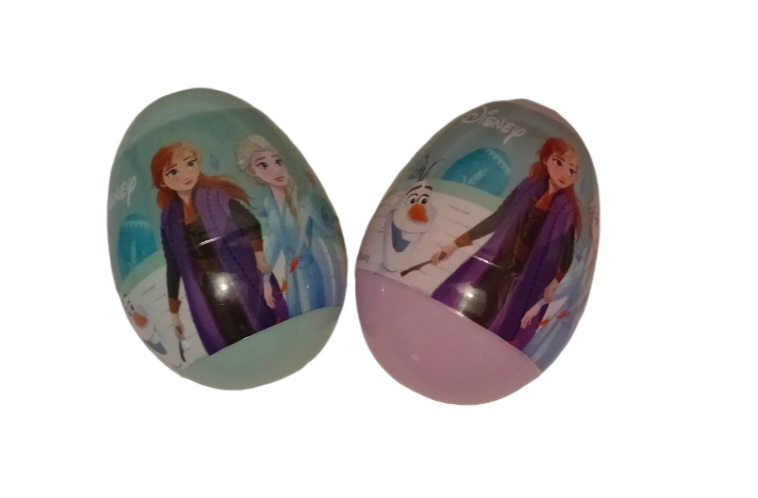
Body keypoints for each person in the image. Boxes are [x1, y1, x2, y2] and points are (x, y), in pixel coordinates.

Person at [430, 137, 582, 350]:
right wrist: (454, 244)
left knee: (504, 314)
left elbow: (567, 251)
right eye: (559, 162)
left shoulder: (566, 210)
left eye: (572, 170)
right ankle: (449, 341)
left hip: (529, 275)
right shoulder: (527, 188)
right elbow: (497, 219)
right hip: (500, 259)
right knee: (478, 298)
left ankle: (473, 350)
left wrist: (554, 283)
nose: (565, 173)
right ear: (546, 160)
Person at [151, 142, 288, 356]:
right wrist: (174, 312)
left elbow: (251, 224)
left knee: (260, 321)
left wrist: (260, 259)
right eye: (173, 172)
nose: (185, 174)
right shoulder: (168, 218)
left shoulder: (215, 196)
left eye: (190, 163)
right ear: (162, 181)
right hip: (206, 289)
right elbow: (173, 263)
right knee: (225, 335)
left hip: (241, 274)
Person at [236, 136, 340, 317]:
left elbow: (328, 232)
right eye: (263, 165)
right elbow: (275, 244)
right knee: (295, 313)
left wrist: (329, 220)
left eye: (278, 161)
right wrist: (266, 281)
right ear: (253, 173)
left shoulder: (304, 202)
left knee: (311, 315)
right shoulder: (270, 206)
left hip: (309, 269)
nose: (276, 170)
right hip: (291, 274)